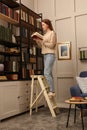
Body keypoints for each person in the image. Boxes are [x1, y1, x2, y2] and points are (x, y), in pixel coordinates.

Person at [33, 19, 57, 97]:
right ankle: (51, 90)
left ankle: (52, 91)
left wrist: (43, 41)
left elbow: (52, 45)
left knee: (46, 73)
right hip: (45, 55)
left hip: (50, 54)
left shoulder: (52, 33)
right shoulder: (45, 35)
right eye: (42, 25)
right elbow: (42, 47)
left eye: (43, 25)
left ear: (48, 25)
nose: (42, 26)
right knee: (49, 73)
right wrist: (37, 41)